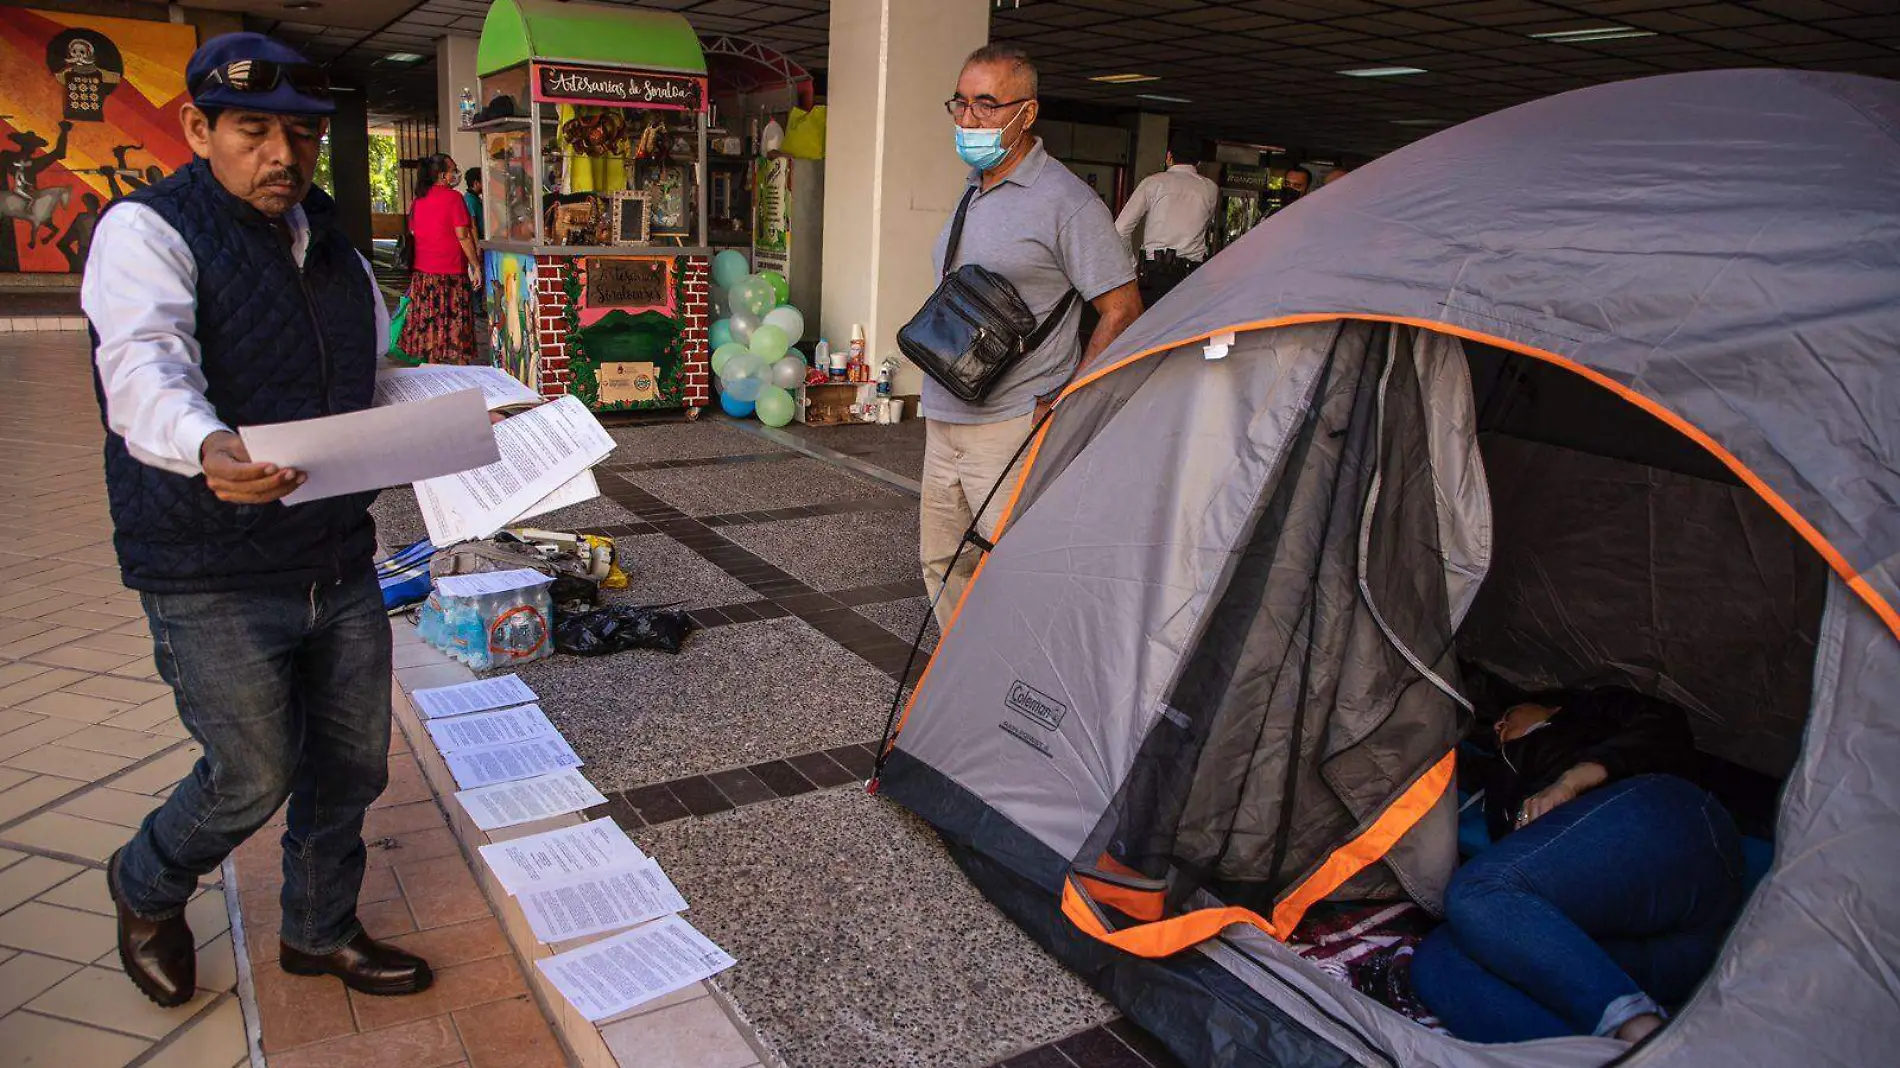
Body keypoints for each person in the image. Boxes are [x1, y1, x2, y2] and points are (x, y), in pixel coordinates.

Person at [83, 32, 433, 1008]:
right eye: (253, 130)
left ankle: (319, 932)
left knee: (352, 765)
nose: (282, 154)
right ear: (199, 128)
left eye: (302, 134)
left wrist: (467, 409)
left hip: (333, 550)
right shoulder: (147, 231)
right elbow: (144, 369)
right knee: (253, 771)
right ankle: (146, 883)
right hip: (212, 564)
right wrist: (207, 445)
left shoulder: (333, 246)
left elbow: (360, 381)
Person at [922, 44, 1141, 630]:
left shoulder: (1067, 202)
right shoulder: (974, 188)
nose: (968, 120)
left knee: (1013, 565)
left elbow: (1121, 309)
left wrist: (1065, 400)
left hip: (1011, 421)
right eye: (961, 104)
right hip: (945, 409)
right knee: (943, 562)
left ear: (1028, 113)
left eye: (987, 106)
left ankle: (1011, 692)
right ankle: (958, 683)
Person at [1410, 686, 1745, 1045]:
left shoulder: (1587, 711)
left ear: (1551, 706)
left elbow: (1666, 728)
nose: (1499, 727)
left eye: (1510, 715)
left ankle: (1643, 1036)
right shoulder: (1501, 786)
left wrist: (1570, 783)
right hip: (1645, 954)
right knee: (1440, 956)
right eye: (1496, 728)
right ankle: (1611, 1052)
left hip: (1673, 836)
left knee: (1477, 889)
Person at [1115, 131, 1218, 306]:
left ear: (1169, 156)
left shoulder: (1153, 183)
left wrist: (1133, 265)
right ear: (1198, 162)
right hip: (1192, 277)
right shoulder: (1210, 188)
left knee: (1149, 331)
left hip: (1154, 275)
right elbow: (1205, 226)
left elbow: (1120, 229)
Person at [399, 152, 479, 363]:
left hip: (424, 276)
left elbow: (415, 233)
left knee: (430, 326)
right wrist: (475, 265)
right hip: (452, 273)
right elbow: (463, 235)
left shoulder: (418, 201)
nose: (456, 174)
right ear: (443, 175)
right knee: (457, 323)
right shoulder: (454, 199)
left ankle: (431, 369)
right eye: (453, 170)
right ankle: (461, 372)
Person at [462, 165, 485, 241]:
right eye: (483, 181)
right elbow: (472, 225)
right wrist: (478, 245)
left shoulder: (476, 198)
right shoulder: (469, 199)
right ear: (476, 183)